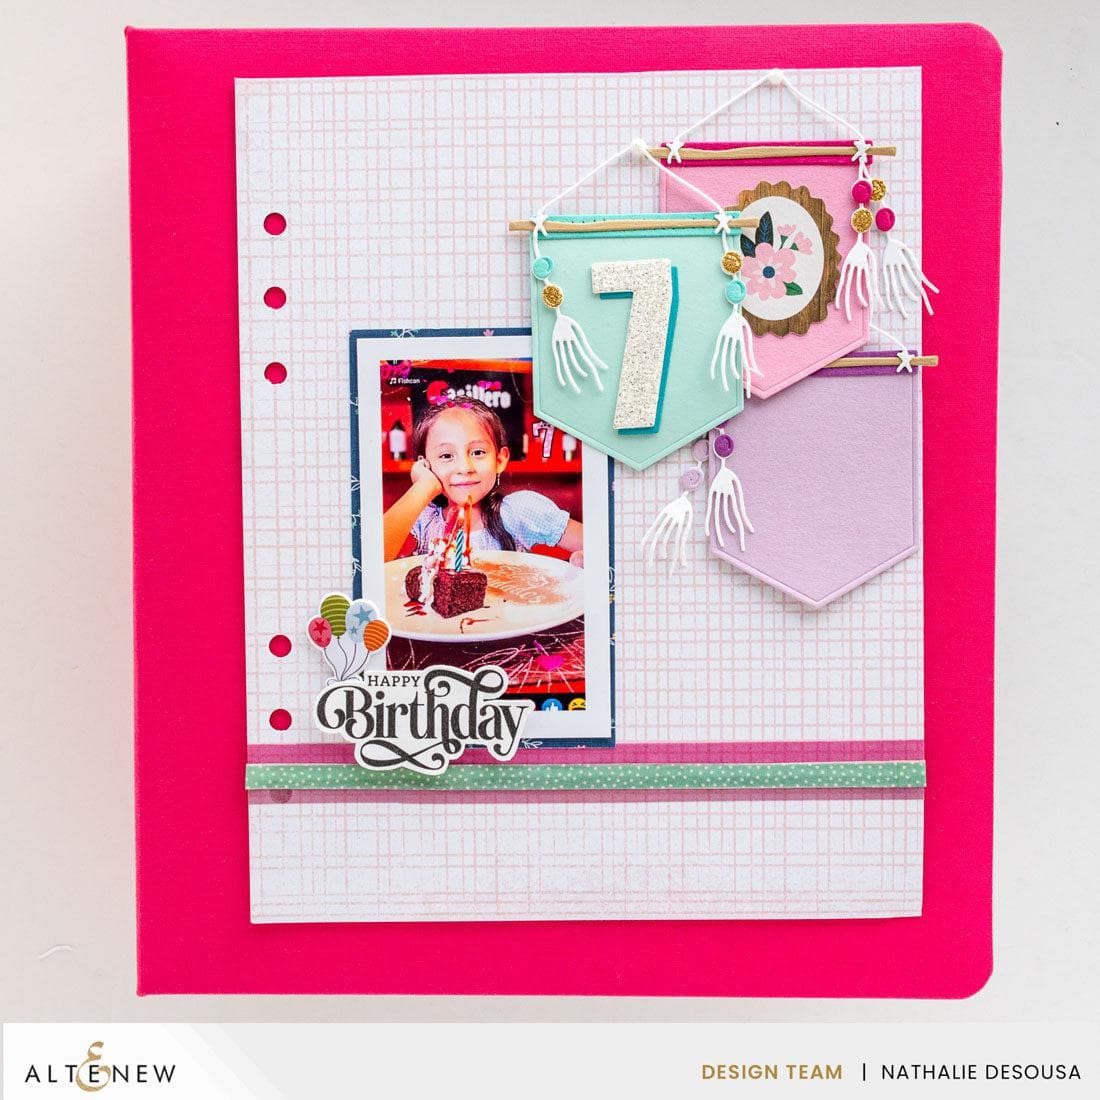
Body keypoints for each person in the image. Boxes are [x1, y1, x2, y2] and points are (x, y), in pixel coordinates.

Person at [383, 399, 583, 563]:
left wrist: (585, 559)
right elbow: (373, 560)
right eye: (446, 456)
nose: (465, 468)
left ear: (500, 460)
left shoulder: (517, 511)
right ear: (425, 465)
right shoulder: (423, 519)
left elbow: (598, 545)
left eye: (478, 452)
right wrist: (423, 486)